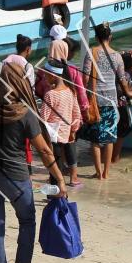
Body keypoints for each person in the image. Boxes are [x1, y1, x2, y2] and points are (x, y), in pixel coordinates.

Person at [0, 63, 69, 263]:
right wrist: (59, 179)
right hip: (16, 177)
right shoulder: (23, 113)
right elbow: (45, 151)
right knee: (27, 221)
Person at [80, 23, 132, 180]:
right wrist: (130, 92)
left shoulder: (92, 53)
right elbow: (123, 80)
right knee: (110, 137)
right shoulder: (117, 56)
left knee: (95, 139)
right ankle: (106, 173)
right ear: (110, 37)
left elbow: (84, 78)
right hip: (111, 101)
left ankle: (98, 174)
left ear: (96, 37)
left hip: (95, 100)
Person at [41, 58, 83, 187]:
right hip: (65, 135)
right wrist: (73, 131)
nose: (44, 77)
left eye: (46, 75)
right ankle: (59, 196)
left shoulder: (50, 95)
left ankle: (57, 198)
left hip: (52, 137)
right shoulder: (71, 91)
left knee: (54, 169)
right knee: (57, 166)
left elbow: (43, 119)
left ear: (53, 75)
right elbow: (77, 114)